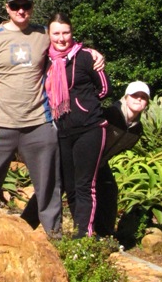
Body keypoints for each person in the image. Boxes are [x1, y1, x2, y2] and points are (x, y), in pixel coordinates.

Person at [0, 0, 63, 235]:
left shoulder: (43, 33)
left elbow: (66, 46)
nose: (21, 10)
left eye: (26, 6)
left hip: (38, 123)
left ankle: (56, 241)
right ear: (7, 8)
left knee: (49, 187)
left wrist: (93, 53)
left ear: (32, 7)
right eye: (16, 6)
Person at [46, 13, 111, 238]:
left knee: (85, 185)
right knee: (70, 186)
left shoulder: (85, 57)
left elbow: (104, 89)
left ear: (72, 33)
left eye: (66, 32)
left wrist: (84, 104)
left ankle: (85, 235)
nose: (62, 38)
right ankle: (78, 231)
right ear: (49, 35)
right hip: (61, 130)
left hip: (89, 128)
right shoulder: (46, 60)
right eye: (56, 33)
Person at [93, 80, 151, 238]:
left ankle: (104, 235)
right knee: (59, 186)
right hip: (85, 157)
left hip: (101, 163)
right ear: (126, 97)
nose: (138, 99)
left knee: (109, 190)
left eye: (143, 97)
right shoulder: (109, 114)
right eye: (135, 95)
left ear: (147, 102)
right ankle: (27, 223)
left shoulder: (136, 130)